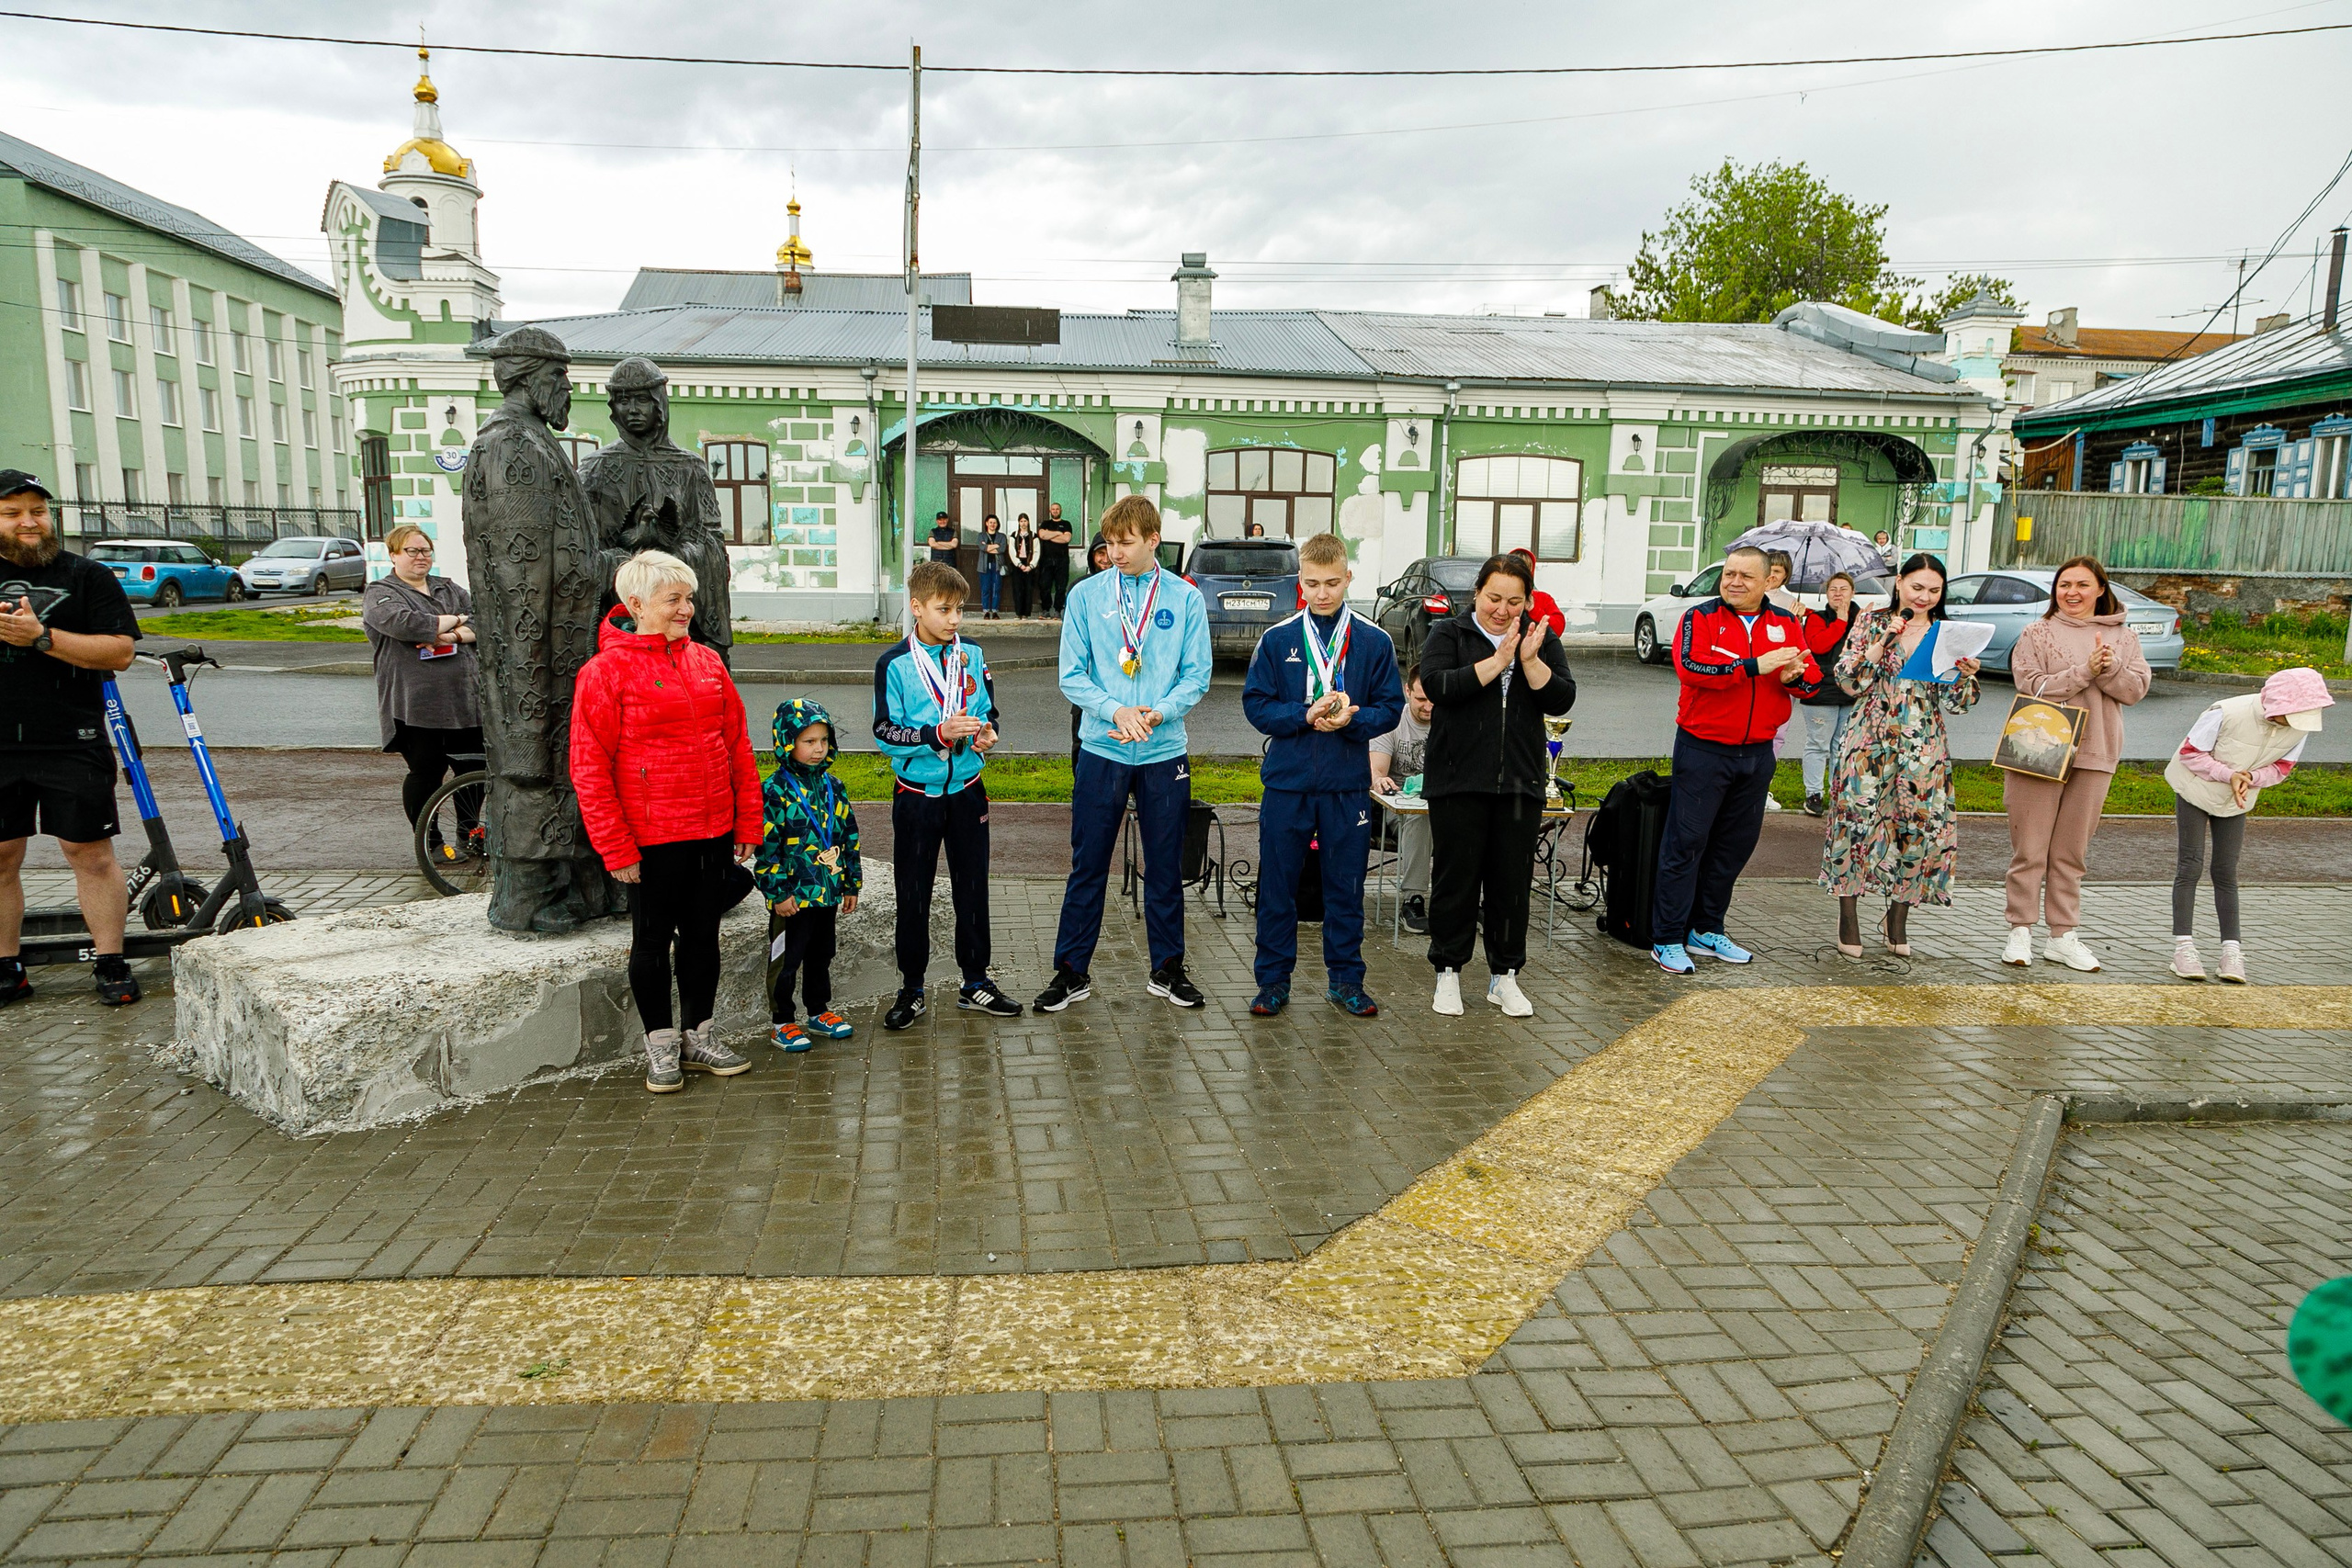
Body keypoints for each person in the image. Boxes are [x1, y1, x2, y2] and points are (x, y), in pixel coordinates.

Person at [570, 549, 761, 1093]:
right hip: (651, 838)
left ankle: (699, 1037)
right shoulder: (604, 672)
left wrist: (748, 820)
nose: (686, 609)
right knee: (651, 942)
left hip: (712, 829)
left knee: (703, 938)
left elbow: (737, 746)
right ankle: (660, 1044)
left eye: (689, 598)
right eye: (673, 599)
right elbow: (589, 766)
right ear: (635, 604)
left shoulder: (707, 662)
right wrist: (616, 847)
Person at [1037, 496, 1213, 1012]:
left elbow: (1197, 675)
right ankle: (1071, 972)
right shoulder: (1086, 595)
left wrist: (1158, 714)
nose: (1114, 552)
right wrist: (1116, 711)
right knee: (1088, 864)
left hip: (1163, 750)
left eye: (1126, 543)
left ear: (1153, 540)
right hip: (1103, 748)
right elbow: (1072, 675)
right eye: (1110, 543)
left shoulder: (1185, 598)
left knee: (1165, 866)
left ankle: (1168, 969)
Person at [1242, 532, 1405, 1017]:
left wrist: (1353, 720)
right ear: (1300, 581)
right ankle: (1273, 983)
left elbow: (1390, 707)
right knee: (1277, 889)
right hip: (1287, 785)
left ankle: (1346, 981)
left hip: (1346, 786)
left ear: (1348, 578)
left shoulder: (1374, 640)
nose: (1322, 593)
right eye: (1312, 583)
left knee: (1345, 889)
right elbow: (1256, 704)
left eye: (1332, 583)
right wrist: (1302, 715)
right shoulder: (1278, 639)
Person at [0, 469, 141, 1008]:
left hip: (71, 738)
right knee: (0, 857)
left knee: (90, 854)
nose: (29, 522)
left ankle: (110, 961)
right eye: (13, 513)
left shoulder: (87, 576)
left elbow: (120, 653)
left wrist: (42, 638)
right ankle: (7, 968)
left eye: (38, 511)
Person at [1418, 553, 1577, 1016]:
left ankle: (1504, 977)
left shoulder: (1541, 638)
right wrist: (1498, 660)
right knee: (1456, 881)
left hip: (1520, 783)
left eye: (1514, 601)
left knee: (1511, 885)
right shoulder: (1449, 633)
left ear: (1528, 601)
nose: (1502, 610)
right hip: (1458, 781)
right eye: (1493, 598)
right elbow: (1439, 686)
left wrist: (1528, 661)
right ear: (1476, 594)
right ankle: (1448, 972)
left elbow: (1562, 697)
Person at [1651, 544, 1819, 975]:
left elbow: (1812, 681)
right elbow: (1691, 668)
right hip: (1703, 749)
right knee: (1686, 844)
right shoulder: (1700, 617)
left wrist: (1794, 679)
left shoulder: (1785, 622)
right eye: (1729, 574)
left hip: (1758, 753)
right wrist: (1752, 666)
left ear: (1768, 581)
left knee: (1733, 847)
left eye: (1746, 576)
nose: (1734, 582)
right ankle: (1666, 937)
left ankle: (1706, 928)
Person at [874, 560, 1022, 1029]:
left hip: (968, 793)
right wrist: (935, 734)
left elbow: (988, 711)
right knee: (913, 892)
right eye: (944, 609)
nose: (955, 619)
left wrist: (988, 733)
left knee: (973, 888)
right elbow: (884, 732)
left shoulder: (972, 653)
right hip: (917, 796)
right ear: (917, 607)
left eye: (960, 609)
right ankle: (911, 988)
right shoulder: (894, 664)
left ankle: (975, 982)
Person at [1816, 554, 1982, 957]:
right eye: (1917, 587)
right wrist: (1882, 642)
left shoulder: (1946, 632)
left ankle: (1898, 921)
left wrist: (1966, 676)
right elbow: (1848, 681)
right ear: (1899, 583)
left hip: (1923, 745)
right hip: (1867, 741)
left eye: (1934, 590)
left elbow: (1958, 703)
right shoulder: (1872, 621)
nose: (1924, 597)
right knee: (1856, 824)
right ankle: (1848, 918)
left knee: (1916, 828)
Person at [2001, 555, 2151, 973]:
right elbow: (2031, 685)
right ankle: (2020, 930)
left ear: (2101, 589)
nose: (2072, 592)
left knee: (2071, 852)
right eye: (2064, 584)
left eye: (2083, 585)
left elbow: (2134, 691)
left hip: (2096, 752)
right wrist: (2084, 671)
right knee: (2030, 847)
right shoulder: (2036, 632)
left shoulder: (2124, 637)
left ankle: (2062, 936)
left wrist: (2110, 668)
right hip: (2038, 747)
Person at [2164, 666, 2331, 984]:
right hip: (2195, 790)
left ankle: (2231, 951)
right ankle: (2183, 949)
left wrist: (2252, 777)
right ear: (2277, 705)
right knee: (2190, 865)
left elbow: (2282, 768)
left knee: (2226, 870)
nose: (2296, 723)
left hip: (2237, 799)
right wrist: (2230, 775)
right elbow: (2190, 753)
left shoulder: (2299, 727)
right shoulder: (2226, 712)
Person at [362, 525, 481, 853]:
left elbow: (483, 621)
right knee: (427, 772)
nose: (421, 557)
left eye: (426, 550)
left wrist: (450, 635)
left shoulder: (449, 588)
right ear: (393, 555)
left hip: (466, 701)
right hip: (416, 705)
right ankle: (431, 844)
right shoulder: (380, 593)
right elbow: (406, 624)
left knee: (473, 769)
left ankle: (469, 836)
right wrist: (454, 619)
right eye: (412, 551)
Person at [755, 698, 862, 1051]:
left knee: (822, 954)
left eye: (824, 741)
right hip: (792, 899)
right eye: (809, 741)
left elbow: (848, 837)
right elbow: (767, 848)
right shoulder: (774, 790)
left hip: (827, 892)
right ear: (787, 743)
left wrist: (851, 883)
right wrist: (777, 892)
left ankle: (818, 1010)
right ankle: (782, 1021)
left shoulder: (834, 787)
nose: (818, 749)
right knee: (786, 960)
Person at [1370, 665, 1435, 933]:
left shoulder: (1452, 720)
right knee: (1420, 818)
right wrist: (1379, 779)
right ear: (1407, 691)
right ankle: (1413, 900)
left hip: (1443, 802)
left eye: (1434, 700)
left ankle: (1470, 901)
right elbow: (1377, 770)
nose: (1428, 707)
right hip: (1399, 807)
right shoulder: (1392, 721)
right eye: (1421, 699)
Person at [1798, 572, 1860, 816]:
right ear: (1826, 594)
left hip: (1851, 691)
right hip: (1821, 691)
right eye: (1833, 589)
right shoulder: (1816, 618)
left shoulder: (1862, 619)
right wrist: (1840, 622)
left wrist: (1854, 621)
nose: (1838, 594)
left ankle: (1838, 793)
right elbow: (1818, 646)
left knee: (1842, 746)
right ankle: (1813, 794)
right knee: (1818, 744)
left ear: (1852, 592)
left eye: (1843, 589)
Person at [1506, 547, 1566, 635]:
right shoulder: (1500, 598)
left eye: (1524, 571)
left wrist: (1534, 610)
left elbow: (1558, 628)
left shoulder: (1543, 598)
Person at [1037, 502, 1075, 615]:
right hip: (1046, 560)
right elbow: (1042, 535)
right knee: (1045, 586)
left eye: (1057, 509)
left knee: (1061, 586)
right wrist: (1058, 533)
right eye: (1053, 509)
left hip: (1062, 560)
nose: (1055, 511)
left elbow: (1066, 539)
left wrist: (1049, 536)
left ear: (1061, 510)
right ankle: (1046, 610)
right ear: (1050, 511)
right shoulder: (1045, 523)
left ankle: (1058, 610)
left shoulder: (1066, 524)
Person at [1007, 513, 1041, 620]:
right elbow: (1012, 551)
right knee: (1017, 589)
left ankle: (1026, 613)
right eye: (1021, 521)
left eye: (1025, 521)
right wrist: (1019, 564)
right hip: (1017, 565)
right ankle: (1018, 613)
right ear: (1018, 522)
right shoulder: (1014, 535)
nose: (1023, 523)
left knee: (1028, 589)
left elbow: (1037, 551)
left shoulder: (1033, 536)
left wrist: (1031, 565)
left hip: (1029, 564)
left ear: (1028, 522)